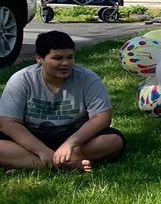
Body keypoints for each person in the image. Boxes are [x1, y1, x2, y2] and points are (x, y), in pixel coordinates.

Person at [0, 30, 125, 172]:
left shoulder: (88, 78)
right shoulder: (22, 80)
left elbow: (102, 118)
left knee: (113, 141)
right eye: (57, 58)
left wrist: (70, 144)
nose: (65, 63)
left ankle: (33, 163)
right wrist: (41, 150)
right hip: (31, 137)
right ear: (39, 58)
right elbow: (8, 123)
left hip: (74, 136)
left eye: (70, 57)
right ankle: (66, 165)